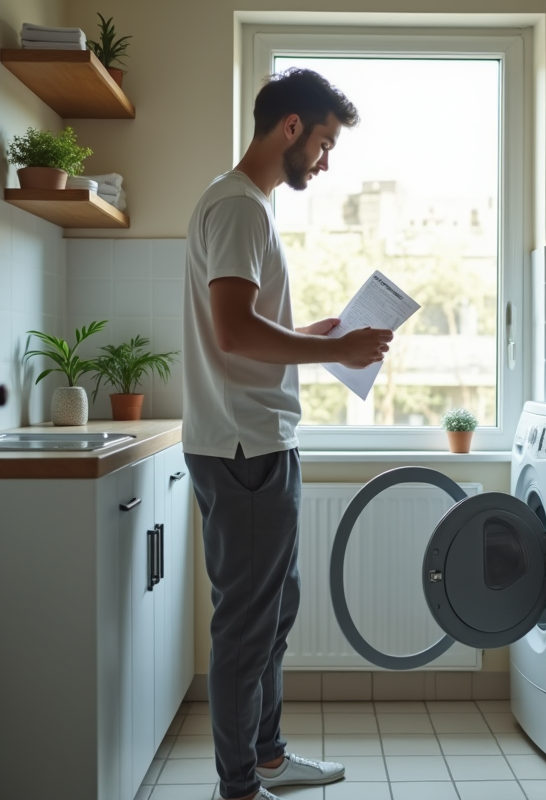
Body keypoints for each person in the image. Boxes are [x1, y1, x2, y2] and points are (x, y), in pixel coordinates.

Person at [181, 68, 393, 800]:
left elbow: (243, 329)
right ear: (292, 127)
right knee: (248, 625)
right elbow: (233, 332)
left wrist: (314, 335)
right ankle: (239, 786)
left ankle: (266, 760)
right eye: (325, 143)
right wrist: (338, 350)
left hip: (254, 442)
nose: (326, 161)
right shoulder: (240, 207)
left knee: (274, 612)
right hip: (245, 448)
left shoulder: (246, 205)